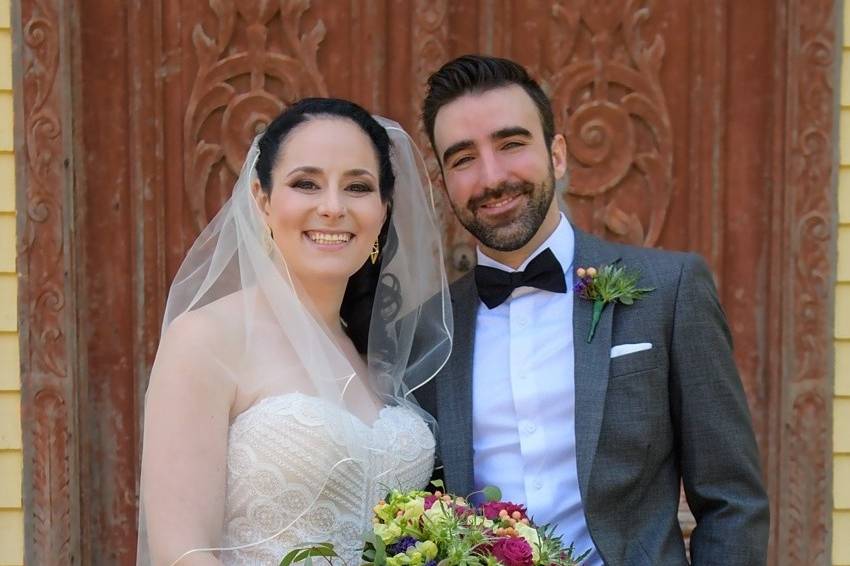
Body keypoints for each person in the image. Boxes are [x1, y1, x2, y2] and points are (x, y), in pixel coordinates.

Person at [414, 55, 769, 565]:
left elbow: (732, 501)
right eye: (463, 158)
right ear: (444, 179)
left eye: (511, 144)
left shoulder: (670, 290)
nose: (492, 177)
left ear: (557, 155)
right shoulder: (430, 330)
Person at [136, 98, 452, 565]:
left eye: (357, 187)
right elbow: (182, 552)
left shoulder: (373, 351)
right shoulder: (205, 339)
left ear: (383, 211)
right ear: (261, 200)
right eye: (306, 183)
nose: (332, 207)